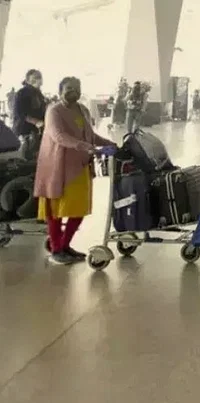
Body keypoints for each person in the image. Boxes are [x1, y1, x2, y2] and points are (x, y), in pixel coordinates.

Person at [33, 77, 116, 265]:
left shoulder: (83, 110)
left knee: (78, 209)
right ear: (60, 90)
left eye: (77, 88)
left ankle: (65, 244)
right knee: (56, 210)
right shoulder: (54, 111)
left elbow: (91, 135)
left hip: (80, 167)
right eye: (69, 88)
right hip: (58, 167)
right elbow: (58, 136)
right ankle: (56, 249)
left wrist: (109, 144)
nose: (73, 91)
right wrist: (87, 147)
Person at [13, 69, 47, 160]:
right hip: (25, 132)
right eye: (36, 77)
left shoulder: (39, 94)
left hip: (36, 131)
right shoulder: (22, 93)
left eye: (40, 77)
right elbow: (20, 113)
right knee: (25, 158)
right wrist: (36, 122)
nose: (38, 79)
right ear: (28, 80)